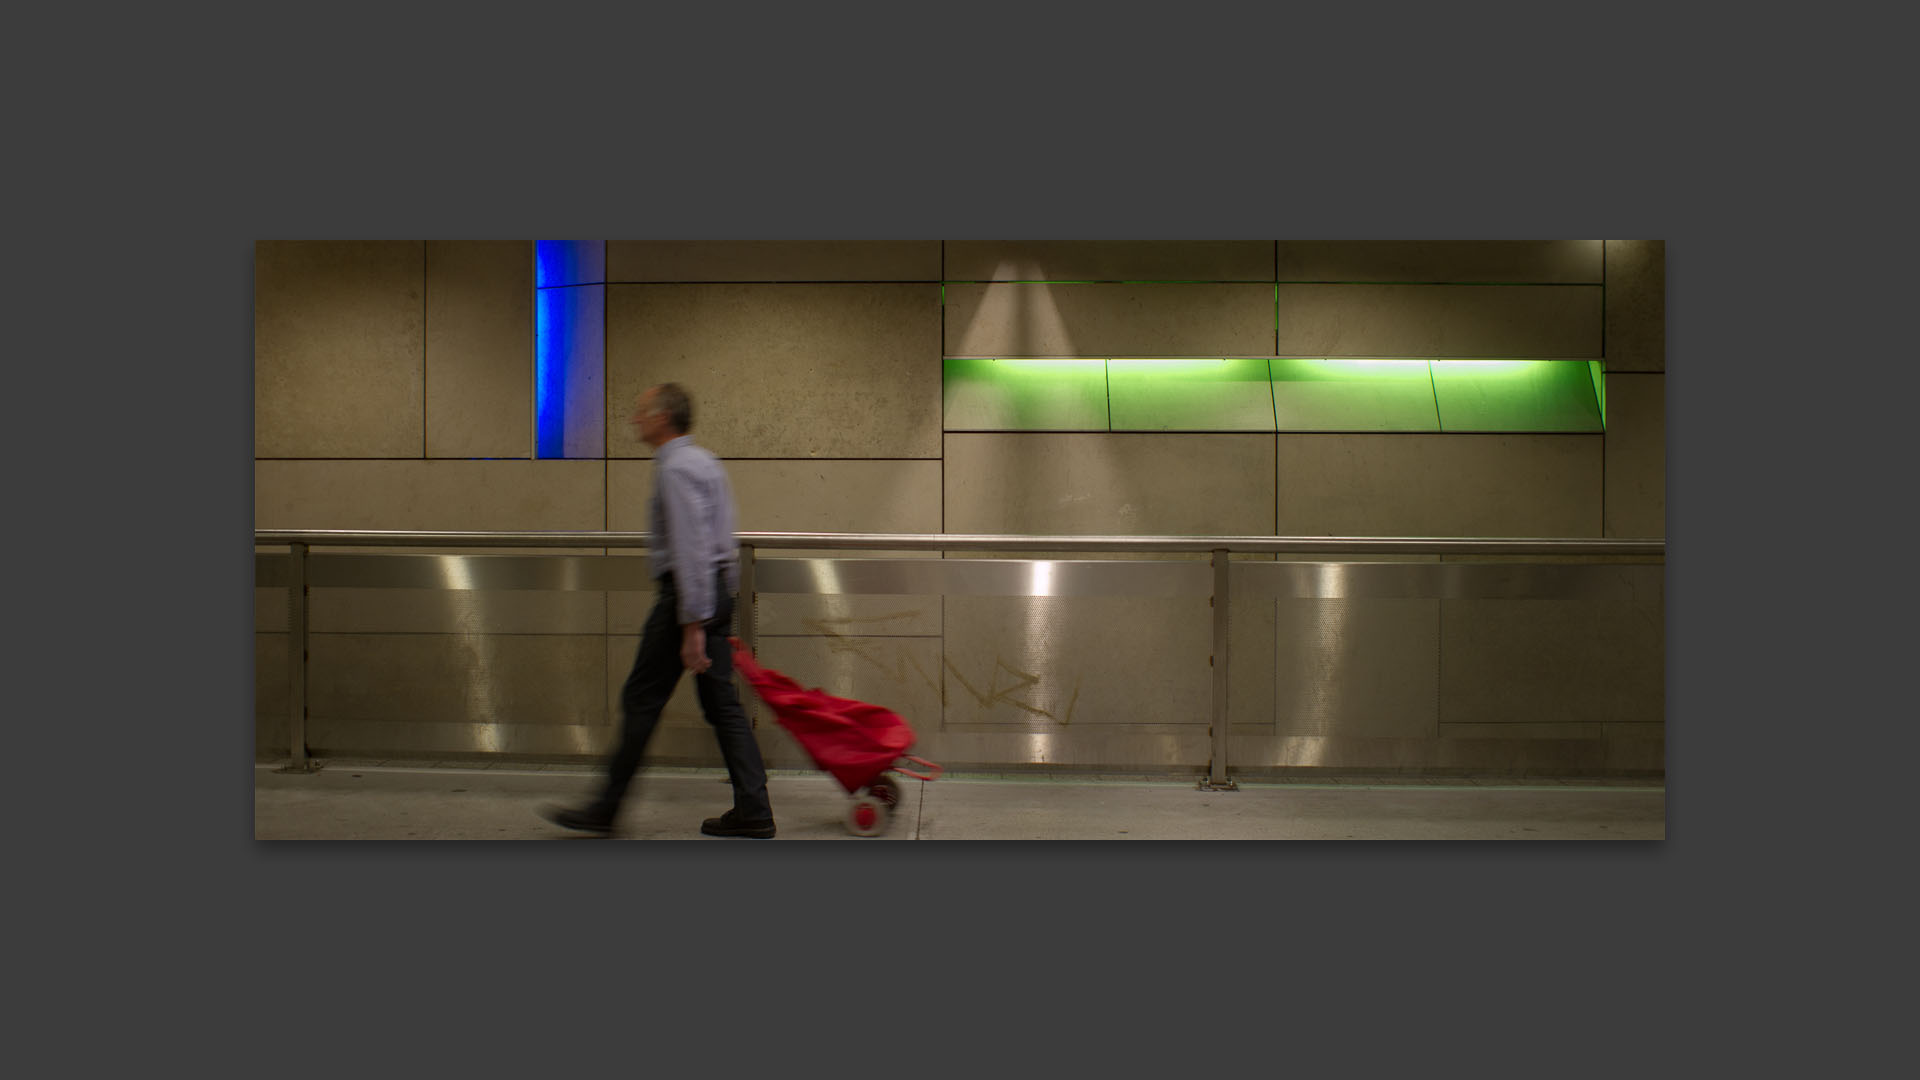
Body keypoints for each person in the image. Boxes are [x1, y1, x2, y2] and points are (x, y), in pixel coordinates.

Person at [542, 383, 776, 838]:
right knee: (722, 706)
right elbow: (724, 542)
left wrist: (692, 624)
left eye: (641, 412)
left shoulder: (674, 468)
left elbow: (689, 548)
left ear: (663, 417)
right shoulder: (706, 462)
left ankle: (606, 809)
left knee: (641, 699)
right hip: (710, 594)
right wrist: (718, 609)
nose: (635, 419)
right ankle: (754, 809)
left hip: (685, 600)